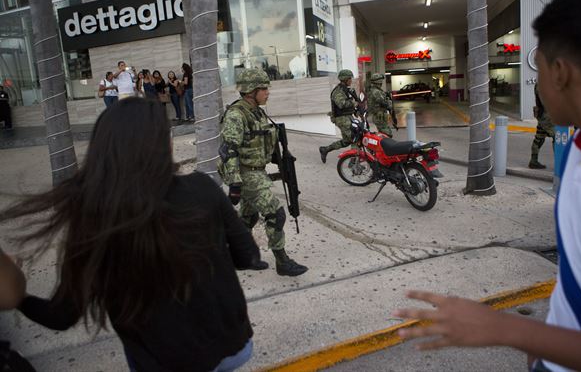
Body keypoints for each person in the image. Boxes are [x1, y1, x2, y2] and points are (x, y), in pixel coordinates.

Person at [393, 0, 581, 372]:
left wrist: (510, 330)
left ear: (559, 73)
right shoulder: (580, 146)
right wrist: (546, 343)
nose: (536, 85)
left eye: (536, 70)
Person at [2, 98, 265, 371]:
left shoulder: (95, 218)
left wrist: (17, 296)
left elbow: (61, 316)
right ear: (164, 144)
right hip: (234, 347)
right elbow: (248, 255)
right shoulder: (203, 187)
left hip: (163, 362)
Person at [218, 68, 308, 277]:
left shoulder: (256, 110)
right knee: (276, 213)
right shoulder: (236, 114)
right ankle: (282, 262)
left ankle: (239, 255)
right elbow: (228, 150)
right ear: (251, 90)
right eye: (264, 88)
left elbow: (261, 140)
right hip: (245, 173)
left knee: (247, 218)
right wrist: (235, 183)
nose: (268, 92)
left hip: (256, 170)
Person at [319, 69, 359, 163]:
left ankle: (325, 150)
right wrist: (354, 103)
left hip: (347, 117)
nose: (351, 80)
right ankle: (353, 164)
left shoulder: (346, 90)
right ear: (344, 79)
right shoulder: (338, 91)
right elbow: (342, 104)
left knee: (346, 141)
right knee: (355, 139)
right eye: (349, 79)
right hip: (342, 118)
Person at [529, 83, 555, 169]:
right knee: (557, 138)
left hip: (544, 116)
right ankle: (559, 162)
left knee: (539, 138)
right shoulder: (543, 84)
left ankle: (533, 161)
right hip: (547, 117)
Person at [366, 73, 393, 137]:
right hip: (379, 116)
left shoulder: (374, 90)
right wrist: (389, 101)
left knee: (384, 133)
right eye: (381, 81)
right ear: (378, 82)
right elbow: (384, 103)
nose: (381, 83)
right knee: (387, 134)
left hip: (379, 115)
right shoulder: (376, 92)